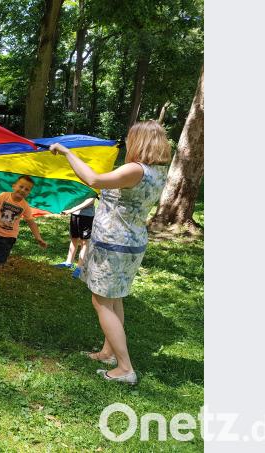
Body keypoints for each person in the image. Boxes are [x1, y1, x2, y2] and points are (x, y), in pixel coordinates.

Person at [49, 120, 170, 385]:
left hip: (115, 244)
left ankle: (125, 368)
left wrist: (69, 153)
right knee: (114, 299)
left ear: (138, 141)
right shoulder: (157, 171)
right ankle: (108, 353)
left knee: (101, 301)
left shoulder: (135, 170)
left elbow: (93, 179)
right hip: (131, 241)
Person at [0, 176, 48, 288]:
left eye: (27, 189)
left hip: (8, 238)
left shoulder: (25, 206)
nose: (23, 190)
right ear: (14, 186)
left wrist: (38, 237)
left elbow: (31, 222)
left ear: (29, 192)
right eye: (21, 186)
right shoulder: (3, 196)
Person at [53, 196, 97, 279]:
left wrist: (71, 210)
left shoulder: (93, 186)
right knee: (74, 238)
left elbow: (90, 200)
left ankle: (80, 267)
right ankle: (68, 262)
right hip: (74, 214)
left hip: (87, 216)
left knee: (84, 242)